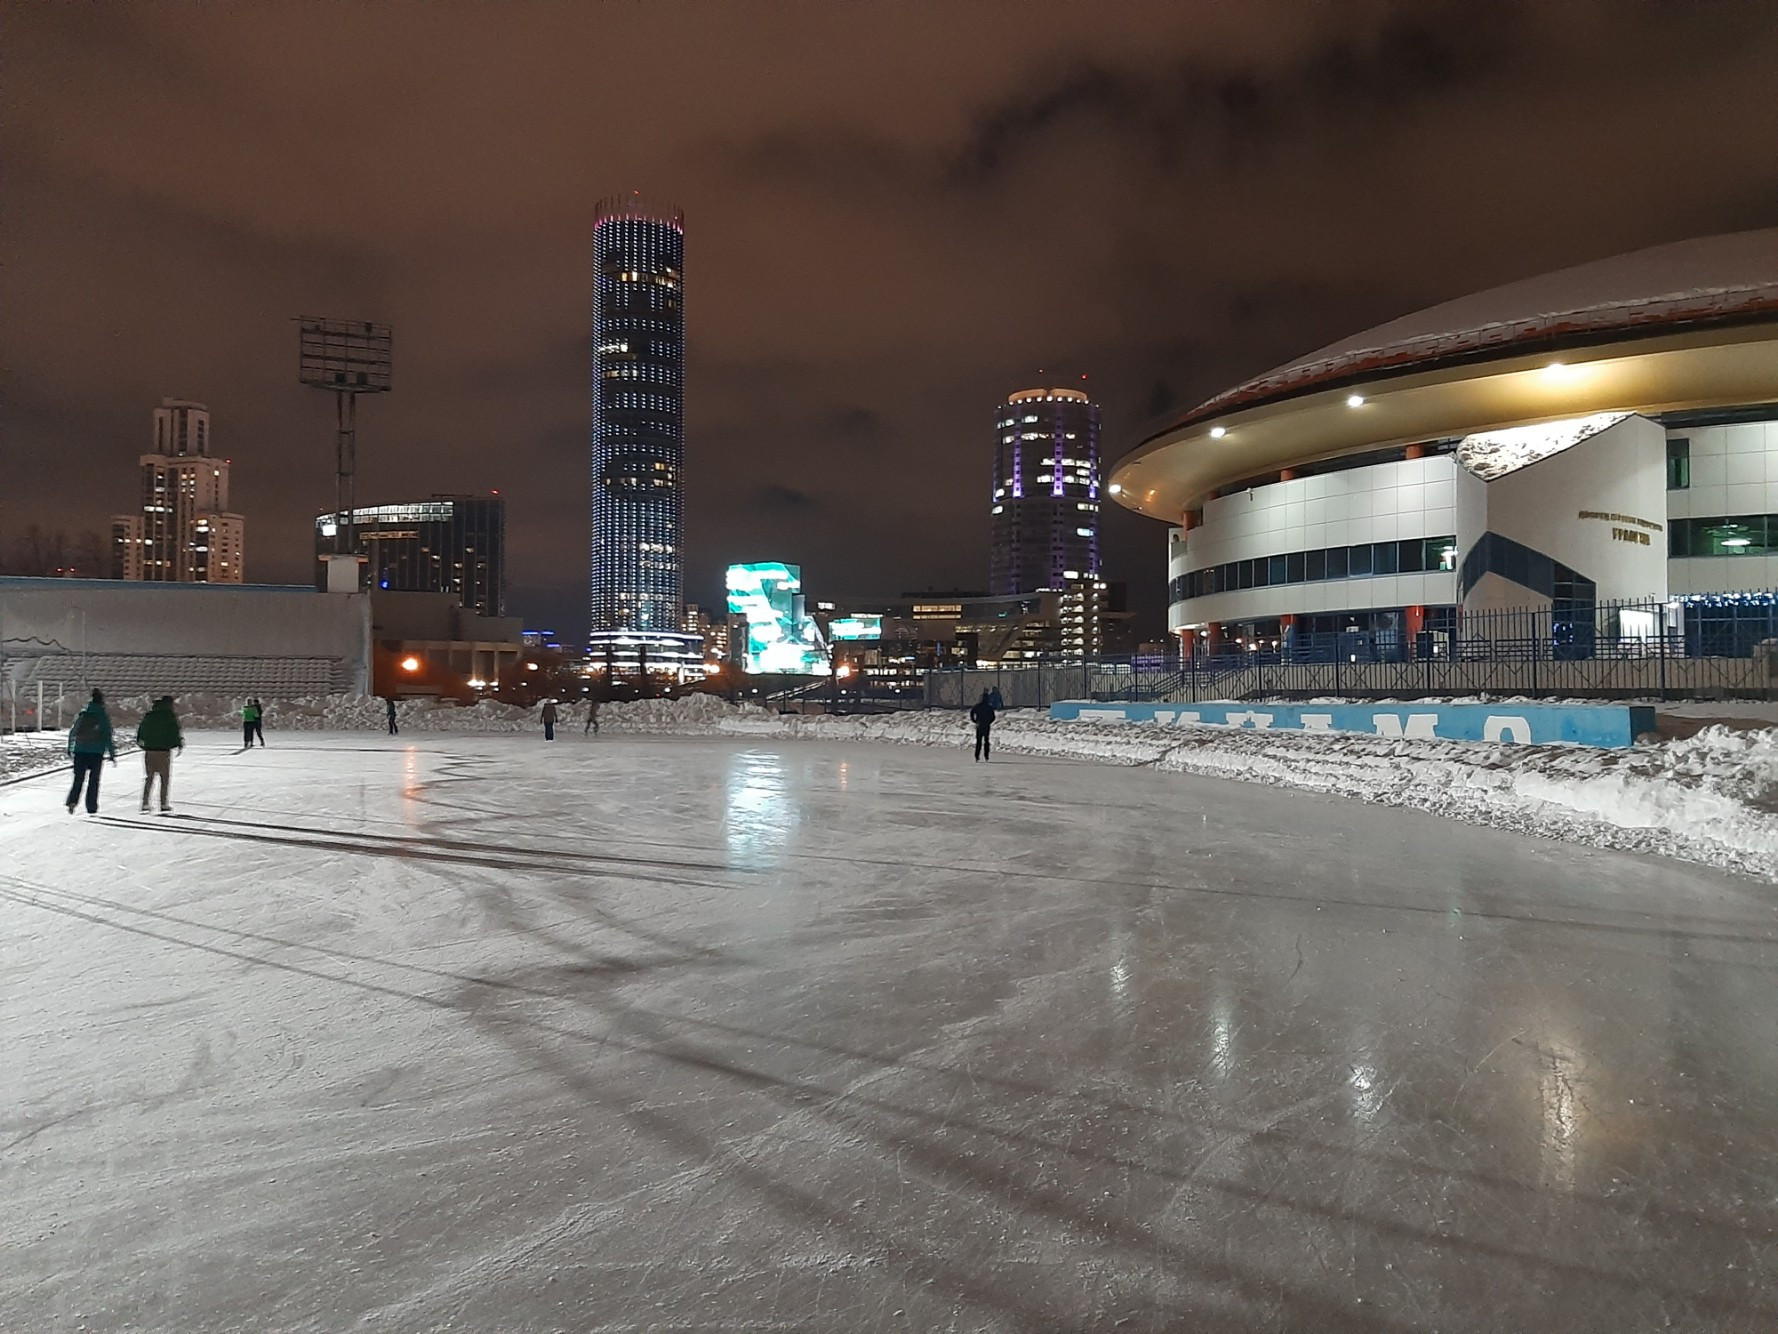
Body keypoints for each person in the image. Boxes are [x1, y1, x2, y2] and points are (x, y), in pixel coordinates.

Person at [65, 689, 116, 814]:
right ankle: (91, 807)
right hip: (96, 752)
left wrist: (70, 748)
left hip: (80, 750)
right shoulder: (102, 716)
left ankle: (72, 801)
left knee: (78, 778)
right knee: (94, 780)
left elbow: (73, 732)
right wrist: (112, 754)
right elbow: (107, 736)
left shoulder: (83, 714)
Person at [136, 695, 184, 813]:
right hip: (164, 751)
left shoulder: (149, 715)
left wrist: (142, 744)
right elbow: (175, 732)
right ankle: (163, 804)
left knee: (149, 777)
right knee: (164, 778)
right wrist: (178, 744)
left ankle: (145, 803)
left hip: (149, 750)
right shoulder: (169, 716)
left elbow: (141, 731)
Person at [968, 689, 997, 762]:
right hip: (986, 726)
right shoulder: (989, 707)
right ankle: (986, 756)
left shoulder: (977, 706)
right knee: (986, 741)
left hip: (979, 725)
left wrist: (974, 720)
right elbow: (993, 717)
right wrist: (989, 722)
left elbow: (972, 712)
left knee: (979, 741)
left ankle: (977, 756)